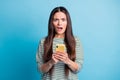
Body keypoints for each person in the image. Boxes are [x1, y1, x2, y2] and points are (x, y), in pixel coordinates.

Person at [36, 6, 83, 80]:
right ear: (52, 22)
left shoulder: (75, 41)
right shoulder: (43, 41)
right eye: (56, 20)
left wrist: (67, 61)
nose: (59, 23)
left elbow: (78, 68)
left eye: (63, 20)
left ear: (67, 22)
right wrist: (51, 62)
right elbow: (40, 70)